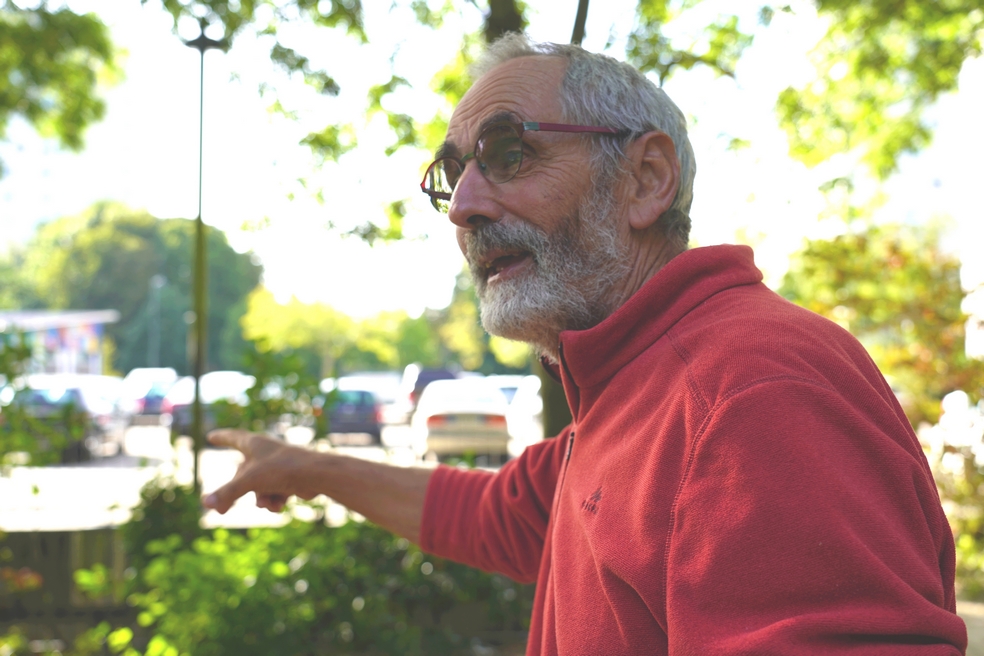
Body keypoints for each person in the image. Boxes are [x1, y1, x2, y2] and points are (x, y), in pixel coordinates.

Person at [203, 34, 968, 654]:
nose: (462, 207)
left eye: (510, 154)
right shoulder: (632, 386)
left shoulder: (748, 391)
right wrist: (310, 467)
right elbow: (503, 513)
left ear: (645, 179)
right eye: (452, 174)